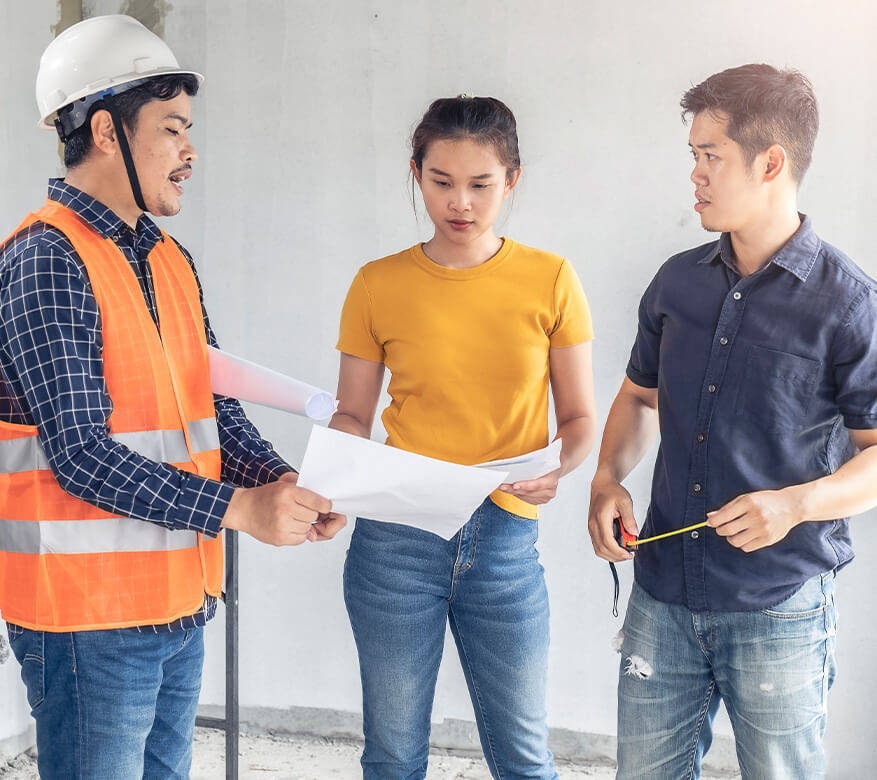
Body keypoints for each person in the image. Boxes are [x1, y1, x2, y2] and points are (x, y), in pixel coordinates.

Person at [0, 15, 344, 779]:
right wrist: (237, 511)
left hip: (176, 600)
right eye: (172, 129)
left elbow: (208, 403)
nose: (190, 152)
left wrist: (274, 480)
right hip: (87, 620)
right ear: (104, 129)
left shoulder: (166, 256)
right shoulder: (46, 261)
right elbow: (82, 455)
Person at [588, 64, 877, 779]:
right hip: (661, 592)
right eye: (693, 155)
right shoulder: (675, 282)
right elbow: (636, 396)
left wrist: (793, 505)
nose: (694, 174)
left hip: (778, 604)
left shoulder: (849, 305)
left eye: (709, 155)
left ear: (770, 162)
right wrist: (604, 479)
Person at [330, 95, 597, 780]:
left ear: (512, 180)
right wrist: (330, 472)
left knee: (525, 757)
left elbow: (578, 420)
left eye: (481, 184)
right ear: (415, 173)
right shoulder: (377, 283)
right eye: (441, 181)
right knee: (391, 754)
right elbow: (353, 414)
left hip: (505, 538)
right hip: (395, 537)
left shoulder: (550, 279)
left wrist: (557, 469)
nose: (460, 203)